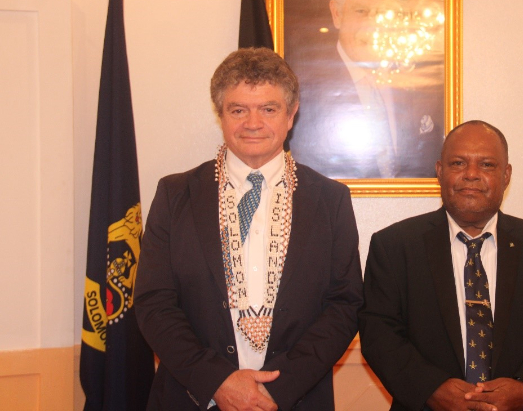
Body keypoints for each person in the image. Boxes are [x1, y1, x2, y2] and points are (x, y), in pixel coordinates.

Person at [135, 47, 363, 411]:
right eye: (238, 110)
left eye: (268, 109)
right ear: (221, 115)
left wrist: (278, 388)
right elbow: (153, 302)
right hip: (193, 398)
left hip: (295, 400)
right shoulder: (175, 195)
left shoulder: (330, 199)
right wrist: (217, 382)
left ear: (291, 115)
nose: (252, 123)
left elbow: (345, 304)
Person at [359, 120, 523, 411]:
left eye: (487, 165)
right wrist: (431, 389)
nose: (471, 175)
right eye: (458, 163)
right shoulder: (394, 246)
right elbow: (378, 333)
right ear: (440, 171)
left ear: (506, 175)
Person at [288, 0, 444, 179]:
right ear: (337, 14)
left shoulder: (423, 85)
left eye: (384, 12)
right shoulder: (304, 91)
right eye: (361, 11)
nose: (373, 26)